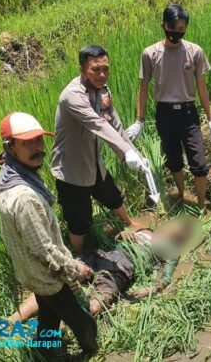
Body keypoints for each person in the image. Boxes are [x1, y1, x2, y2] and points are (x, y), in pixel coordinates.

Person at [0, 112, 98, 359]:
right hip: (46, 277)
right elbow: (45, 252)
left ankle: (43, 350)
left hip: (31, 273)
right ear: (10, 147)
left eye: (38, 140)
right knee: (83, 322)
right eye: (26, 143)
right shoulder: (24, 198)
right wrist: (76, 269)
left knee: (49, 317)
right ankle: (89, 351)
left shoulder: (10, 175)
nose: (37, 148)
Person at [51, 44, 150, 255]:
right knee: (79, 221)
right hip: (72, 171)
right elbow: (98, 124)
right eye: (95, 69)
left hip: (95, 162)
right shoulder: (72, 96)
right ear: (82, 69)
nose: (102, 74)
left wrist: (136, 154)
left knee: (113, 196)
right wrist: (126, 153)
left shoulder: (103, 92)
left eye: (105, 68)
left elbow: (116, 126)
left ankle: (129, 222)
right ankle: (80, 256)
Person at [9, 217, 199, 322]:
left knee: (100, 299)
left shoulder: (171, 250)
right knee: (60, 278)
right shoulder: (144, 230)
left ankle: (58, 330)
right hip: (103, 256)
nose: (170, 226)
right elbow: (117, 238)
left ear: (181, 235)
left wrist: (149, 290)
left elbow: (165, 278)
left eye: (177, 227)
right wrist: (123, 234)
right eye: (172, 222)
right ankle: (14, 319)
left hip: (122, 268)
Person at [126, 4, 211, 212]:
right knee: (174, 160)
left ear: (185, 28)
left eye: (181, 30)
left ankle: (202, 203)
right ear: (163, 26)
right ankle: (183, 194)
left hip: (188, 113)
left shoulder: (195, 51)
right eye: (172, 29)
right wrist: (139, 120)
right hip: (165, 114)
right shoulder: (150, 54)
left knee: (200, 165)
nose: (176, 34)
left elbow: (202, 88)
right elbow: (143, 88)